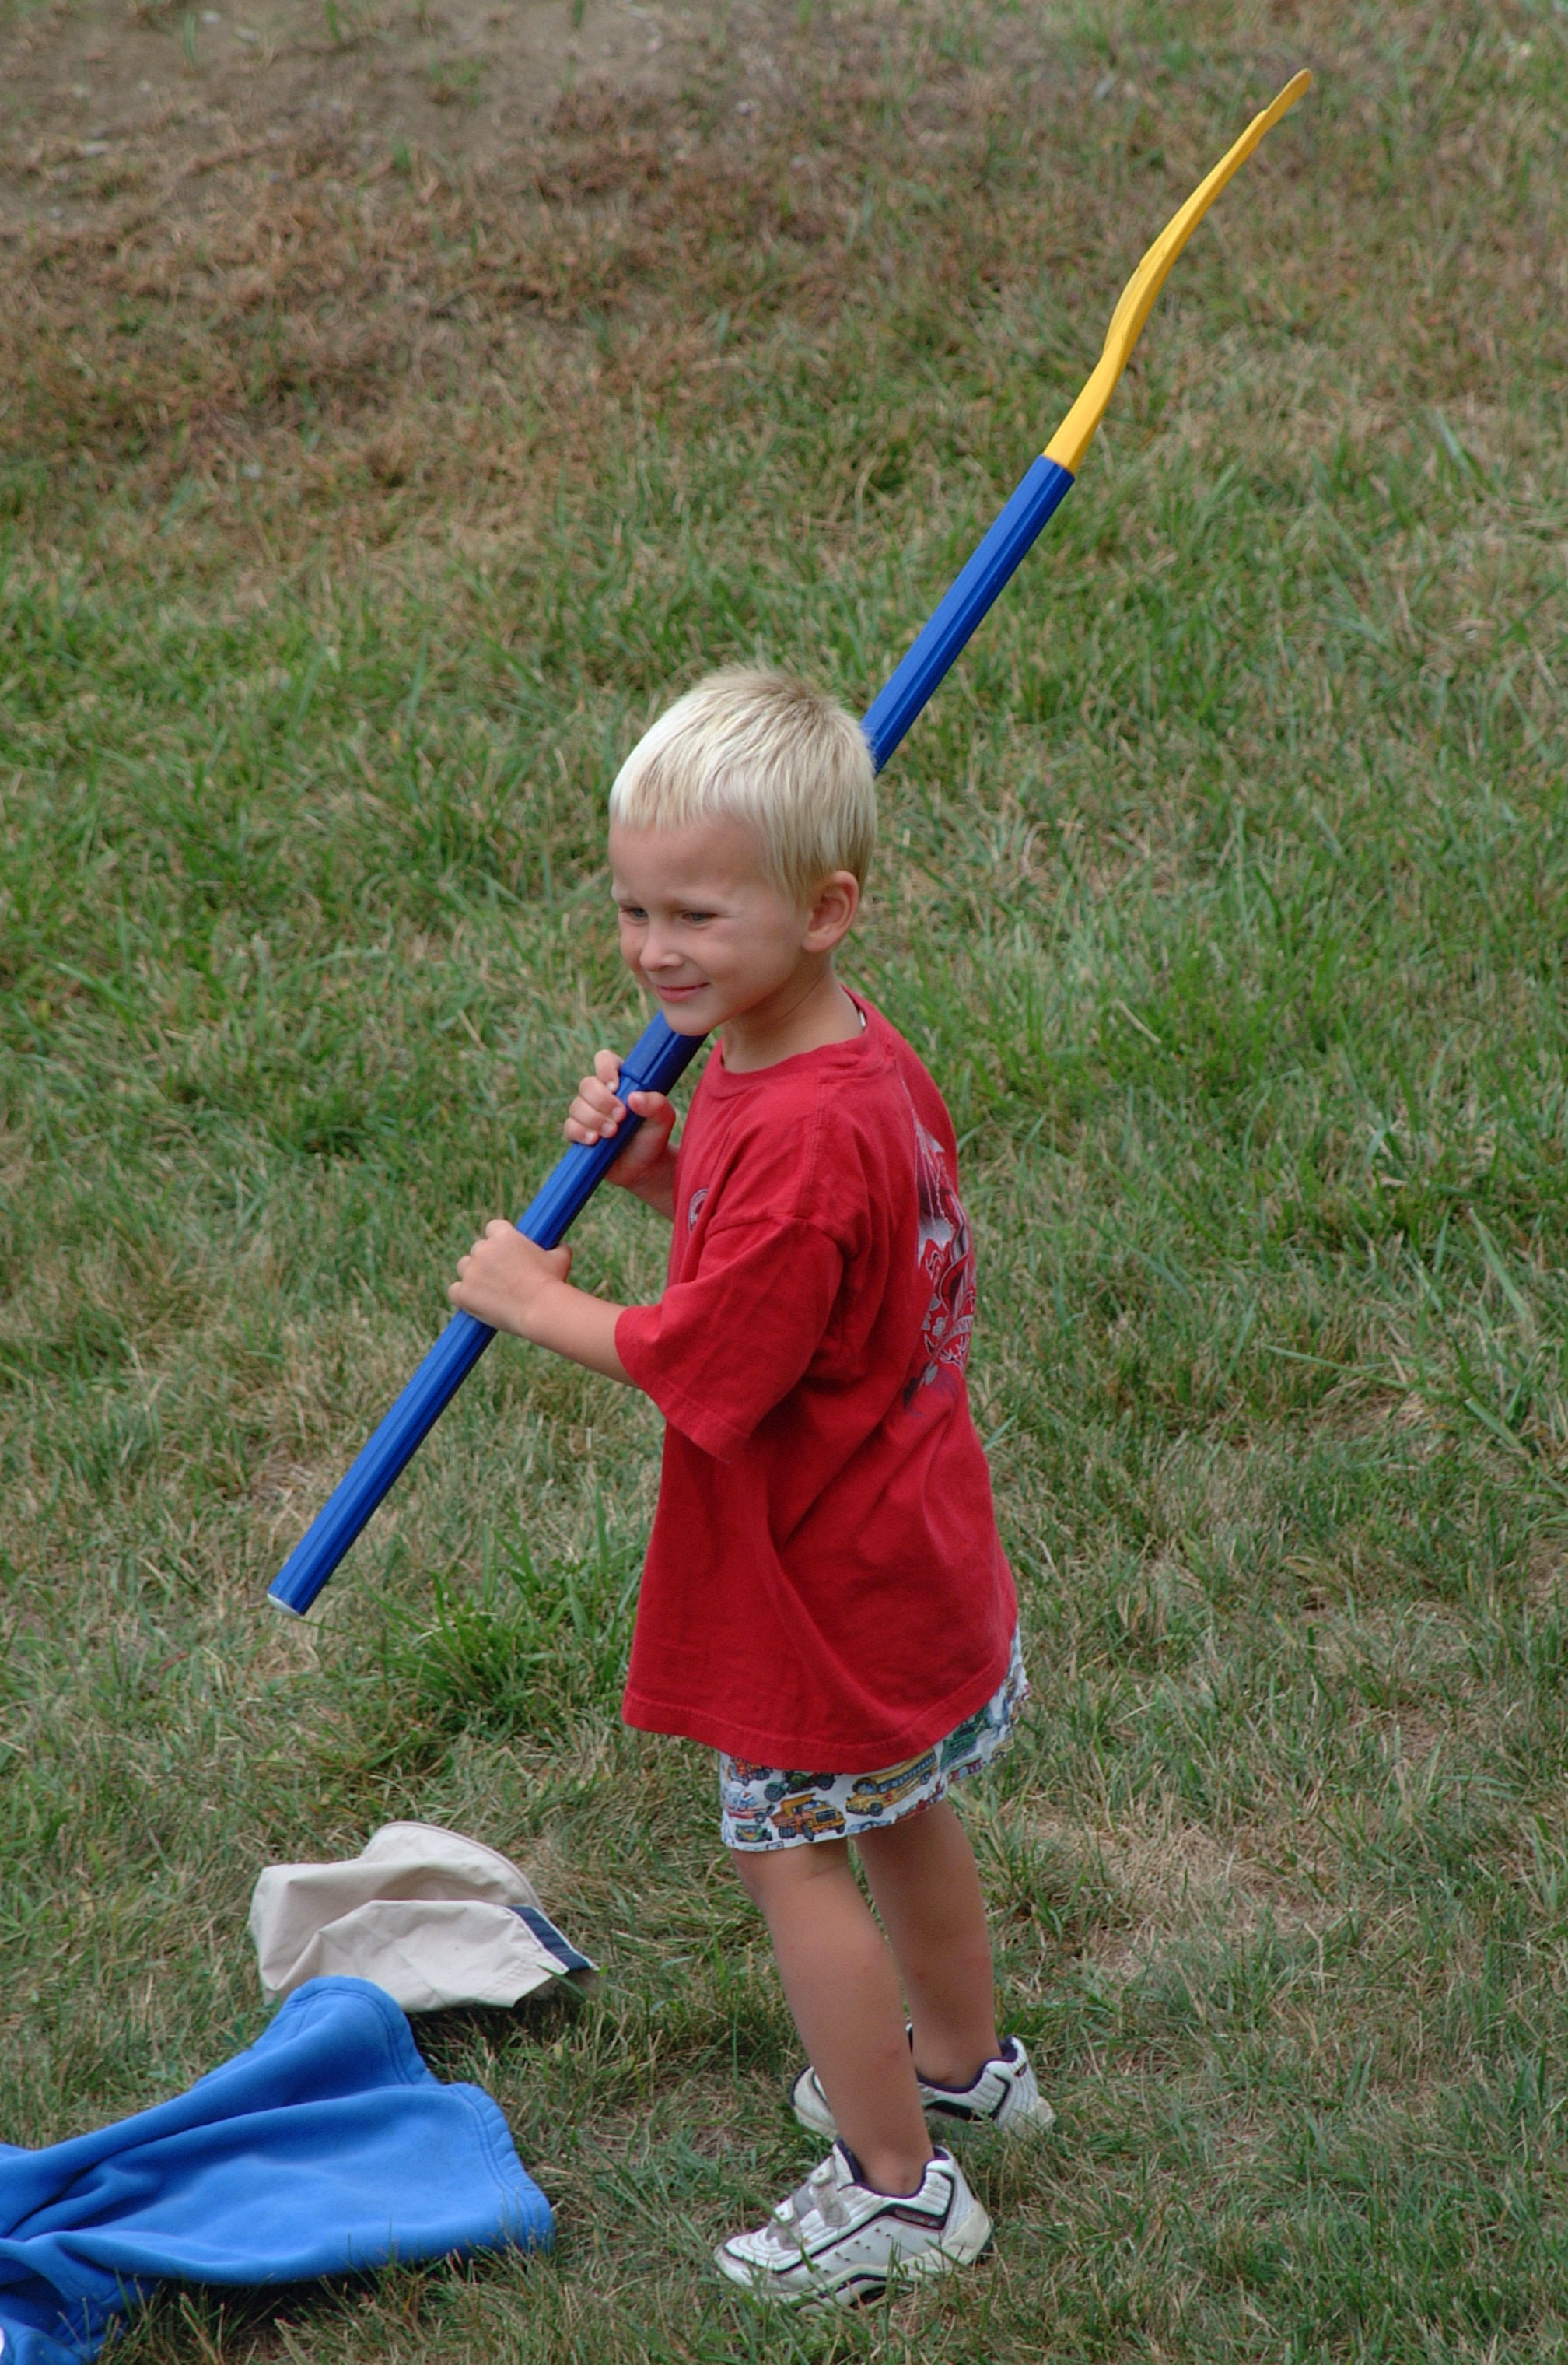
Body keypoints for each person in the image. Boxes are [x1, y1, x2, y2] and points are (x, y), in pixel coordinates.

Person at [448, 667, 1052, 2306]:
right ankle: (960, 2063)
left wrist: (538, 1299)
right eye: (635, 908)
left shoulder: (791, 1131)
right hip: (904, 1535)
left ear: (826, 907)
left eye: (698, 915)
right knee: (899, 1806)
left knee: (794, 1857)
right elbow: (806, 1281)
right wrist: (667, 1170)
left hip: (814, 1579)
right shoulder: (830, 1059)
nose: (656, 951)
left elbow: (710, 1358)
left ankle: (897, 2192)